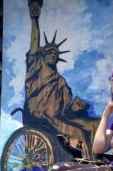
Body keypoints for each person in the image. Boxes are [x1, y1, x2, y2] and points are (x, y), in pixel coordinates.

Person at [25, 0, 99, 158]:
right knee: (77, 132)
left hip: (56, 116)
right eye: (49, 52)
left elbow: (64, 110)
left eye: (55, 54)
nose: (53, 55)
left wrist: (77, 107)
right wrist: (34, 20)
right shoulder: (36, 67)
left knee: (93, 125)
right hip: (39, 112)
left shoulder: (61, 81)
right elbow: (35, 42)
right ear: (42, 56)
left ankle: (94, 159)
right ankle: (84, 162)